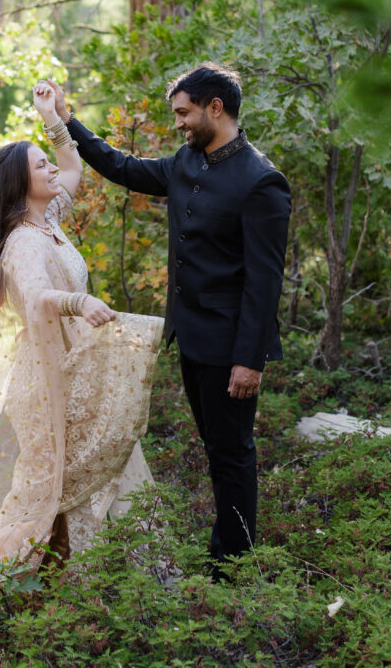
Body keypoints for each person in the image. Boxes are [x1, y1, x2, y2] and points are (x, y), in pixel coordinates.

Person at [0, 84, 163, 599]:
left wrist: (53, 119)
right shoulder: (23, 241)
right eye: (41, 166)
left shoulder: (46, 220)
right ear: (22, 184)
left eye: (48, 163)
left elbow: (73, 169)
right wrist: (79, 303)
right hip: (48, 379)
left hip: (73, 364)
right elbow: (35, 296)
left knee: (97, 469)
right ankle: (62, 590)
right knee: (57, 485)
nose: (53, 171)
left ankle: (103, 584)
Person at [45, 63, 291, 577]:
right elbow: (124, 168)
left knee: (232, 453)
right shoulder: (186, 163)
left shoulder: (261, 181)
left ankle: (235, 565)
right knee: (215, 448)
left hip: (231, 348)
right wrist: (68, 122)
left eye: (183, 113)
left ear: (215, 108)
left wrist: (249, 361)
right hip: (191, 338)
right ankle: (226, 552)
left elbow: (264, 282)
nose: (178, 123)